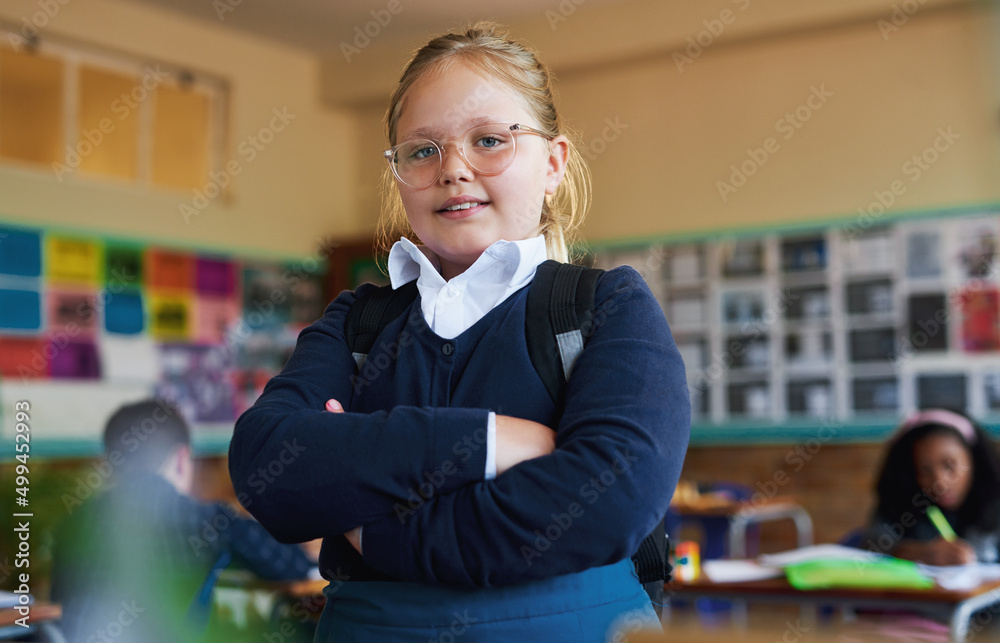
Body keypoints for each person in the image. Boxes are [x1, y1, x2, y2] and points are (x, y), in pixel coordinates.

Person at [229, 22, 690, 642]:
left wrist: (377, 529)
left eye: (490, 140)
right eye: (423, 150)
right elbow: (267, 468)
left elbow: (610, 502)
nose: (454, 169)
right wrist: (492, 441)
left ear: (553, 163)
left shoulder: (607, 307)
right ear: (398, 174)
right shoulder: (357, 321)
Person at [51, 399, 315, 643]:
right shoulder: (207, 519)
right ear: (180, 459)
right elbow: (293, 566)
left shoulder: (73, 522)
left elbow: (60, 602)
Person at [866, 408, 1000, 565]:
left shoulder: (994, 501)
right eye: (924, 469)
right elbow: (872, 544)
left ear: (973, 460)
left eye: (950, 466)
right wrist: (919, 553)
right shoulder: (902, 504)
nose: (940, 483)